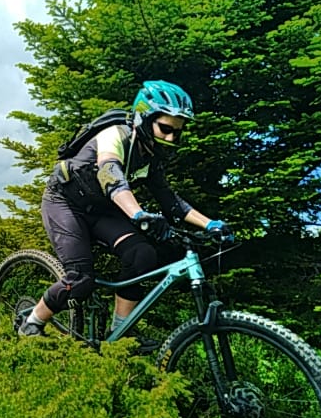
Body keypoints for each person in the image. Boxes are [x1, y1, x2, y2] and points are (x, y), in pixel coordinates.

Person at [18, 80, 233, 345]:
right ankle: (32, 322)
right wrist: (138, 214)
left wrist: (210, 224)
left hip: (101, 210)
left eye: (177, 132)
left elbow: (170, 201)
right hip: (65, 202)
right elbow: (110, 175)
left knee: (141, 254)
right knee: (80, 279)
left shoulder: (151, 155)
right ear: (144, 118)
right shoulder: (115, 135)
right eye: (165, 129)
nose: (171, 138)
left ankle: (120, 334)